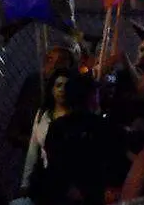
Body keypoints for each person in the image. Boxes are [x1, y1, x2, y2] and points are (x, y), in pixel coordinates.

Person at [38, 74, 128, 205]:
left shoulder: (57, 126)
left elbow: (54, 163)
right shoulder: (102, 126)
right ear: (90, 97)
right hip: (96, 194)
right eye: (96, 93)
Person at [7, 46, 75, 153]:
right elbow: (20, 112)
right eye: (50, 60)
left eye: (60, 62)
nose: (53, 66)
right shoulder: (33, 81)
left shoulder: (70, 90)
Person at [19, 68, 73, 195]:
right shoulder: (42, 114)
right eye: (58, 85)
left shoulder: (75, 116)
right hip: (46, 177)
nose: (62, 90)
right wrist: (25, 183)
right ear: (52, 89)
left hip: (69, 179)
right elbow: (33, 150)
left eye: (66, 86)